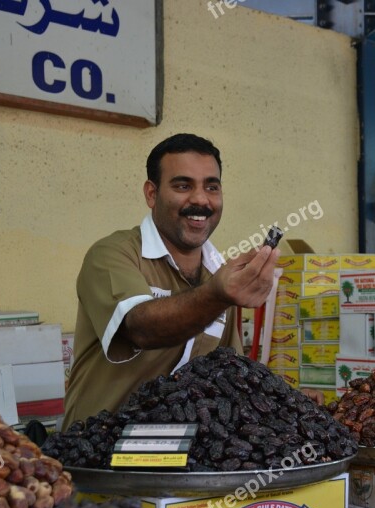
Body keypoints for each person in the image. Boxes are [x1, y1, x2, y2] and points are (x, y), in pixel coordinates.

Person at [63, 133, 280, 426]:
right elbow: (141, 327)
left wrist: (285, 401)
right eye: (182, 185)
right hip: (98, 454)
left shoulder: (218, 275)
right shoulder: (112, 254)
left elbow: (232, 373)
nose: (201, 200)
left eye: (211, 187)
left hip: (175, 458)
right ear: (152, 194)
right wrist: (217, 295)